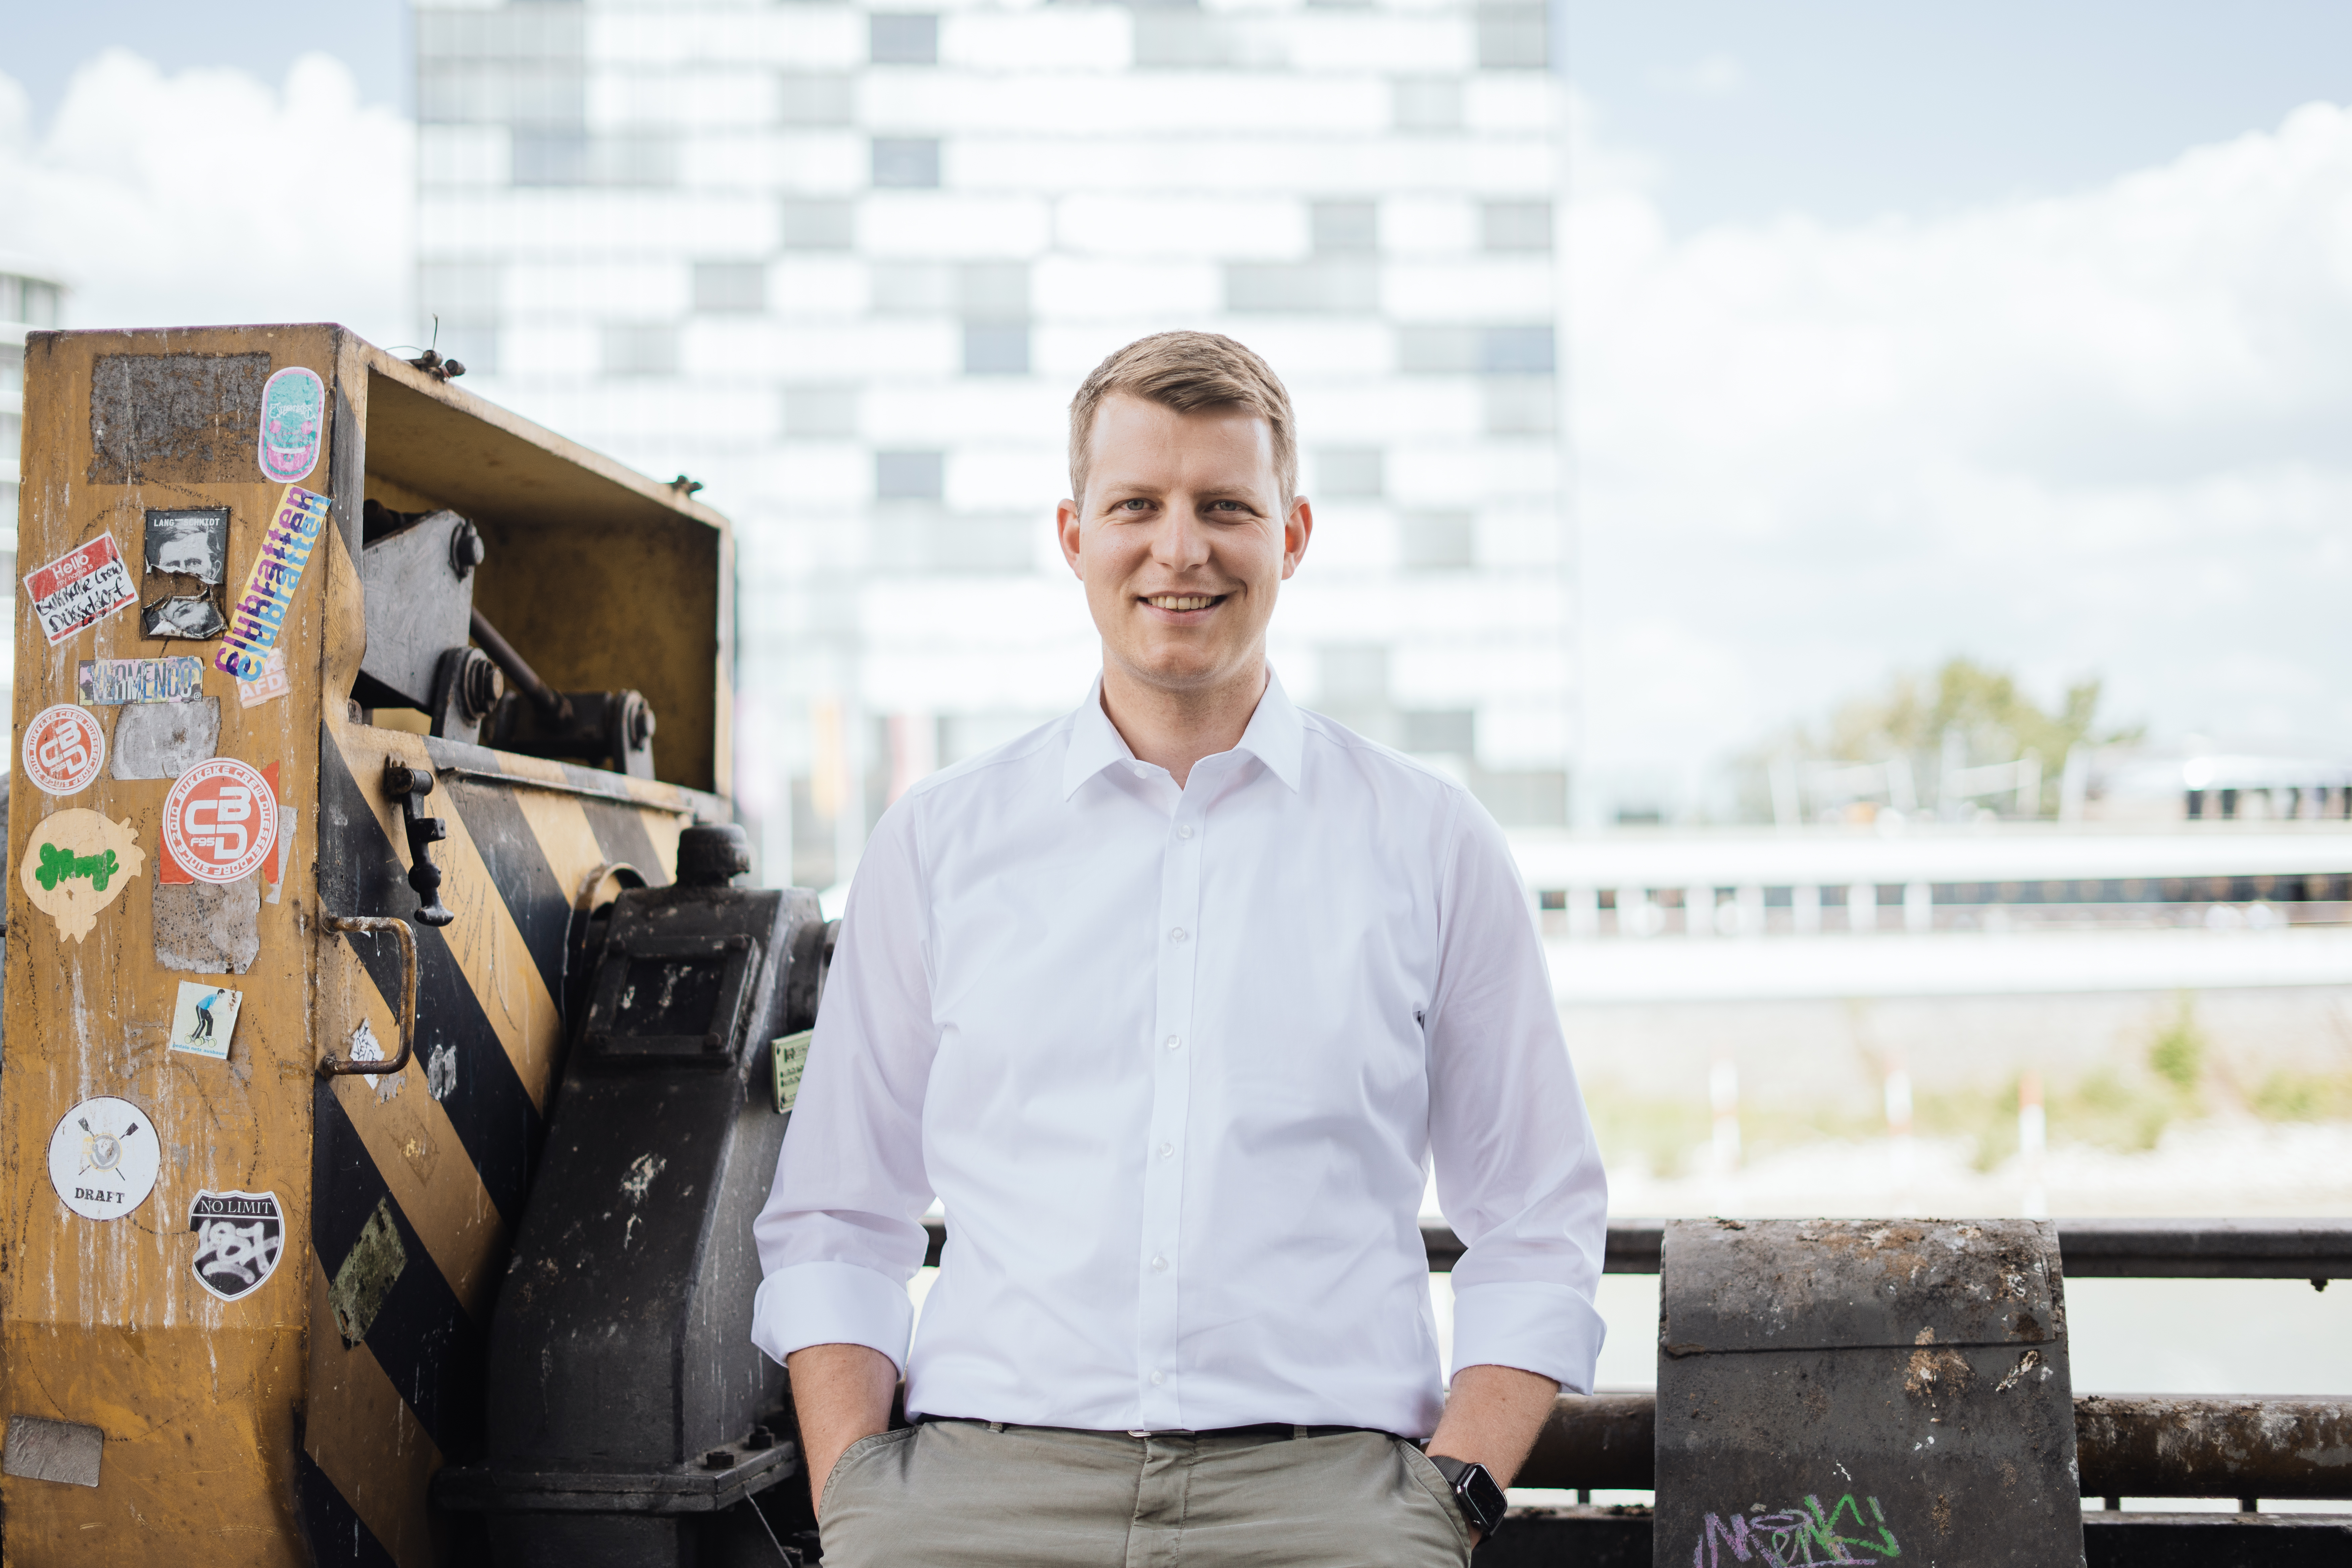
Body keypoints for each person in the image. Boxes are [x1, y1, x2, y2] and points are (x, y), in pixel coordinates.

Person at [751, 331, 1608, 1566]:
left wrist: (1448, 1496)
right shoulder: (939, 842)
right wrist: (857, 1498)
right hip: (974, 1493)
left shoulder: (1429, 841)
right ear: (1073, 535)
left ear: (1294, 536)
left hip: (1328, 1500)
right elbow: (838, 1208)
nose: (1180, 549)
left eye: (1225, 507)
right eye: (1137, 507)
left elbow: (1538, 1212)